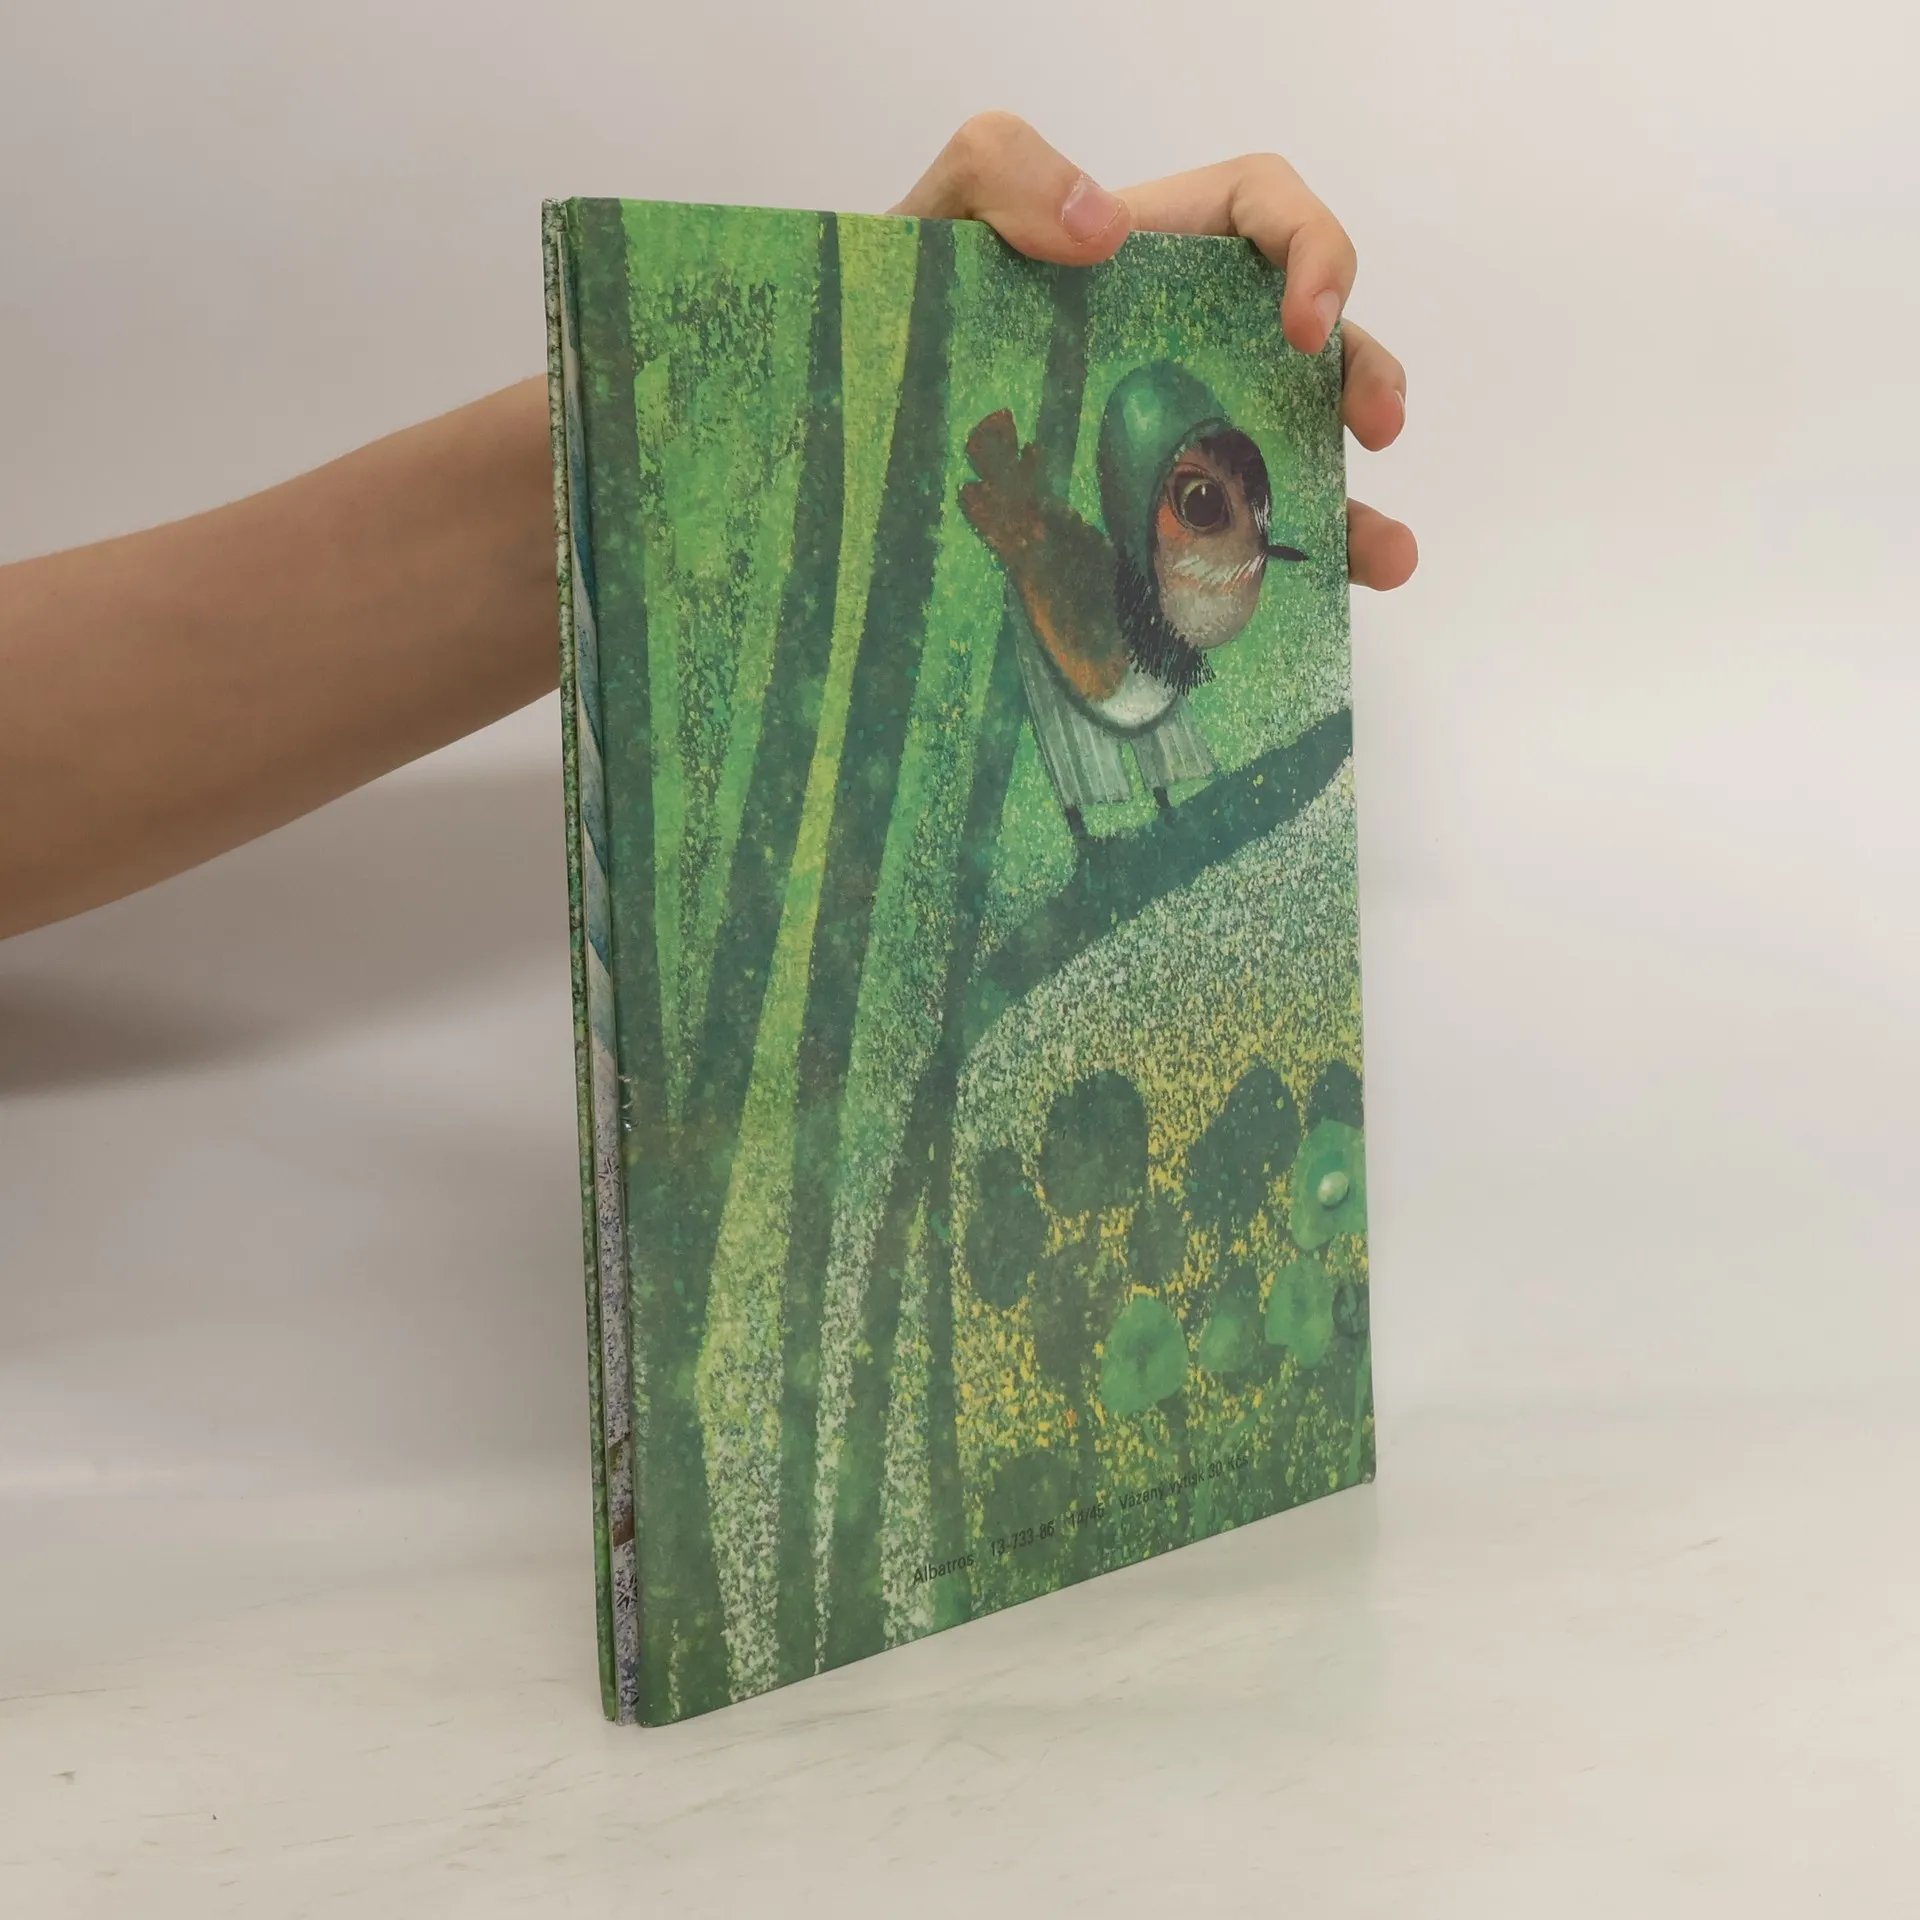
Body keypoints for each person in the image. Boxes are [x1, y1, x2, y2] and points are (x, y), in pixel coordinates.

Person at [0, 114, 1415, 941]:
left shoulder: (1165, 614)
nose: (1239, 533)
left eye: (1234, 507)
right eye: (1202, 501)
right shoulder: (1092, 599)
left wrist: (745, 437)